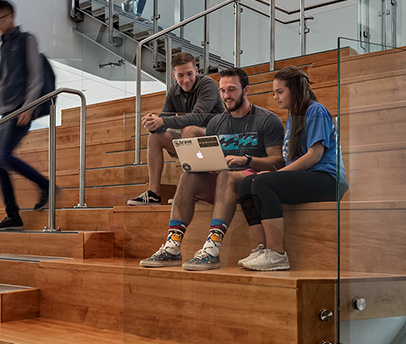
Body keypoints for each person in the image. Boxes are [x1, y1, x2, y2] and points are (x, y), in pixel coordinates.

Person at [140, 68, 284, 270]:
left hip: (250, 181)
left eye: (232, 90)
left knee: (226, 174)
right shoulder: (217, 123)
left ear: (246, 90)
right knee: (187, 177)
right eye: (223, 90)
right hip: (222, 181)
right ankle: (172, 247)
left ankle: (212, 248)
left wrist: (247, 159)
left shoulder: (267, 120)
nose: (226, 96)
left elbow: (278, 162)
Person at [237, 66, 347, 271]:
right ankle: (263, 248)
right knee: (246, 183)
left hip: (328, 179)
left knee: (263, 181)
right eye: (274, 92)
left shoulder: (315, 110)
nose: (275, 97)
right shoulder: (292, 117)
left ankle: (277, 254)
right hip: (307, 177)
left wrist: (276, 175)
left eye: (280, 92)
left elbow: (314, 155)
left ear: (295, 90)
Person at [0, 0, 52, 232]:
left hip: (20, 110)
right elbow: (10, 78)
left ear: (9, 17)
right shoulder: (4, 44)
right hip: (7, 112)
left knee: (4, 158)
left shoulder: (25, 40)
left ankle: (45, 185)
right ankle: (13, 217)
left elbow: (36, 76)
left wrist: (29, 107)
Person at [127, 51, 221, 206]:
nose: (186, 79)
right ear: (173, 75)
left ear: (196, 71)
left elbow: (197, 118)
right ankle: (154, 193)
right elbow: (162, 121)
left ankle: (192, 191)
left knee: (189, 130)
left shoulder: (207, 84)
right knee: (155, 138)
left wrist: (162, 121)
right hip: (191, 141)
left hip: (217, 139)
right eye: (181, 75)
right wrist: (152, 123)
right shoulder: (173, 91)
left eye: (190, 74)